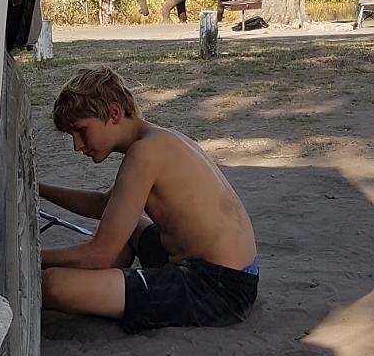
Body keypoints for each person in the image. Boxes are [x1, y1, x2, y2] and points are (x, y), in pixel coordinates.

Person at [40, 67, 258, 334]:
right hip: (240, 273)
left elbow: (101, 252)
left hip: (218, 287)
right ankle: (108, 281)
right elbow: (105, 204)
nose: (77, 145)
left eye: (81, 131)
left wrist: (33, 258)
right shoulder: (160, 139)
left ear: (114, 113)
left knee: (53, 285)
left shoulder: (145, 153)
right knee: (126, 228)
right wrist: (39, 190)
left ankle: (105, 283)